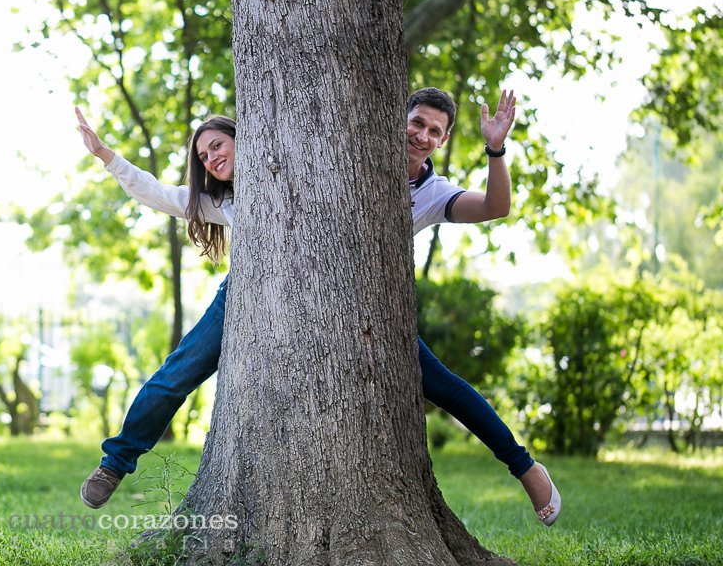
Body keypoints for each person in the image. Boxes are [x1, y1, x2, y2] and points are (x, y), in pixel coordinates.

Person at [73, 88, 562, 527]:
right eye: (416, 122)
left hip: (355, 299)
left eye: (434, 130)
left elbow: (495, 207)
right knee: (178, 371)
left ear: (443, 138)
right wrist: (106, 156)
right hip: (248, 295)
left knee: (443, 385)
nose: (421, 134)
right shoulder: (286, 174)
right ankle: (116, 463)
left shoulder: (431, 193)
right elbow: (158, 193)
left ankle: (524, 466)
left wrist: (495, 148)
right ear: (395, 119)